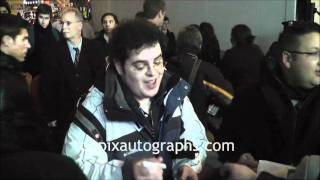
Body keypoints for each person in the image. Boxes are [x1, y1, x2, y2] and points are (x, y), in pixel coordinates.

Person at [62, 19, 208, 180]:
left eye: (157, 62)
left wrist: (186, 163)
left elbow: (195, 134)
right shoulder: (95, 109)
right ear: (119, 66)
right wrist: (125, 172)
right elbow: (75, 167)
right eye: (140, 66)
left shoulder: (173, 93)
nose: (153, 73)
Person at [218, 21, 320, 168]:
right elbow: (224, 143)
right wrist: (238, 156)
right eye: (314, 53)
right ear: (287, 59)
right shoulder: (249, 98)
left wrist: (264, 170)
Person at [0, 14, 86, 180]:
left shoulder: (11, 74)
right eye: (23, 39)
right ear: (7, 41)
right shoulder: (5, 80)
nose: (28, 44)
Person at [41, 7, 105, 152]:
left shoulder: (95, 48)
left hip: (92, 113)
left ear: (80, 25)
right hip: (63, 114)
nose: (64, 27)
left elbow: (102, 79)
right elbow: (47, 86)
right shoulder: (53, 51)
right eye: (62, 23)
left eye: (68, 23)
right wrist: (50, 116)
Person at [166, 25, 233, 132]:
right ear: (200, 46)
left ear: (178, 44)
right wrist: (210, 111)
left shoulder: (164, 65)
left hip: (165, 128)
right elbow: (228, 98)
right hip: (194, 128)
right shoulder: (207, 70)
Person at [219, 24, 264, 91]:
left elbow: (224, 77)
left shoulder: (231, 53)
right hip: (259, 92)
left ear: (233, 38)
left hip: (238, 94)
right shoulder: (257, 50)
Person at [24, 3, 61, 77]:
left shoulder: (55, 33)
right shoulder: (29, 33)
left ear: (50, 18)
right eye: (41, 17)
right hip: (35, 77)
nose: (43, 21)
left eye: (46, 18)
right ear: (37, 17)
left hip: (54, 76)